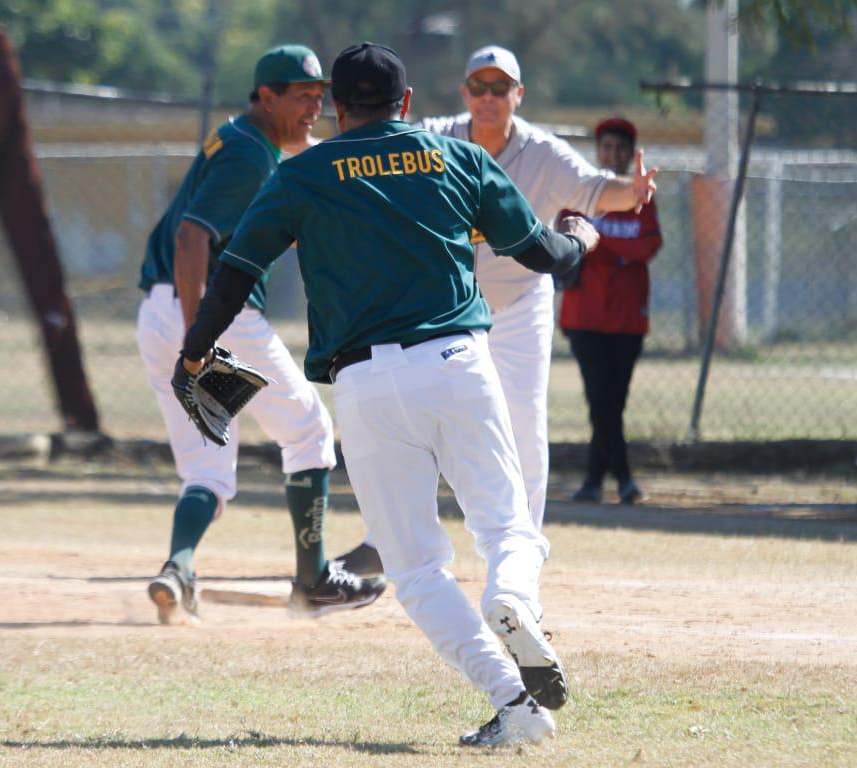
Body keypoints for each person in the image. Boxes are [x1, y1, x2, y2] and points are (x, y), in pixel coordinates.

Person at [171, 42, 599, 748]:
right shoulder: (455, 158)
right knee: (508, 528)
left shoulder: (302, 171)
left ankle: (513, 704)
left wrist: (194, 351)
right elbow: (544, 258)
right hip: (460, 363)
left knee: (416, 569)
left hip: (365, 385)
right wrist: (578, 235)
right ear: (405, 105)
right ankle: (513, 599)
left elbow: (235, 273)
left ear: (337, 109)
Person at [335, 44, 656, 566]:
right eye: (479, 87)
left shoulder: (543, 153)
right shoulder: (437, 138)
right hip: (447, 309)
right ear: (465, 94)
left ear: (518, 94)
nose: (488, 97)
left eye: (500, 87)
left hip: (519, 301)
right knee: (419, 419)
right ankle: (387, 541)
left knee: (524, 422)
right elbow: (380, 145)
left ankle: (522, 549)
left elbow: (597, 190)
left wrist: (635, 191)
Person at [136, 44, 386, 624]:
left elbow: (302, 155)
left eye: (320, 98)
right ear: (265, 97)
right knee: (308, 432)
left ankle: (177, 568)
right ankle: (314, 581)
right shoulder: (250, 156)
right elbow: (191, 238)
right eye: (301, 97)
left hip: (157, 312)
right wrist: (199, 341)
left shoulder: (244, 140)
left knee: (206, 470)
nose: (313, 108)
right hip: (214, 314)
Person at [560, 117, 662, 504]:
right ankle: (621, 479)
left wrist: (600, 248)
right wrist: (619, 255)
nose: (612, 154)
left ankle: (596, 482)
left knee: (612, 402)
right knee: (600, 400)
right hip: (584, 316)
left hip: (626, 318)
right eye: (606, 147)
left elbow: (648, 247)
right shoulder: (579, 194)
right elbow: (565, 242)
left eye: (620, 148)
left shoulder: (641, 200)